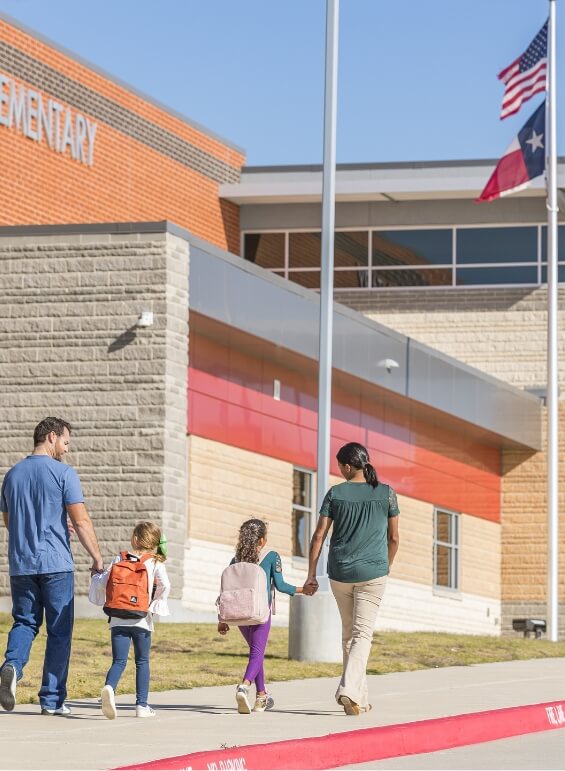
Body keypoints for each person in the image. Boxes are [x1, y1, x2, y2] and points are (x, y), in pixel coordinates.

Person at [0, 417, 103, 715]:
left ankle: (12, 667)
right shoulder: (63, 473)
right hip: (56, 564)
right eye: (66, 442)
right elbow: (82, 521)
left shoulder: (12, 475)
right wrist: (96, 557)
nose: (67, 450)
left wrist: (53, 525)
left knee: (25, 622)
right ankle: (52, 700)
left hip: (21, 564)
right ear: (51, 437)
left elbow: (10, 522)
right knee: (59, 631)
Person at [304, 442, 400, 716]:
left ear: (347, 466)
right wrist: (385, 566)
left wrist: (311, 574)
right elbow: (394, 539)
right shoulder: (387, 494)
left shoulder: (335, 493)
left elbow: (319, 535)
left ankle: (360, 699)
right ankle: (348, 689)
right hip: (373, 573)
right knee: (362, 634)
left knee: (350, 634)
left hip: (340, 573)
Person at [217, 518, 305, 714]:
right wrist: (302, 590)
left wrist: (222, 620)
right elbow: (281, 586)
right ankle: (243, 686)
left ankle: (262, 697)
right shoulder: (271, 556)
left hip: (238, 614)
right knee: (257, 654)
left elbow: (227, 590)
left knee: (256, 654)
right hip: (259, 613)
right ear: (262, 540)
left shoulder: (235, 560)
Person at [89, 521, 170, 719]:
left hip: (118, 618)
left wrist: (95, 578)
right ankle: (142, 706)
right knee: (142, 661)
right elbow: (166, 585)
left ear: (135, 539)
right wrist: (155, 604)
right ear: (153, 542)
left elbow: (104, 580)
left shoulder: (120, 557)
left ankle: (109, 688)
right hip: (142, 620)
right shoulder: (155, 562)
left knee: (119, 661)